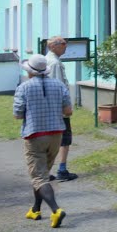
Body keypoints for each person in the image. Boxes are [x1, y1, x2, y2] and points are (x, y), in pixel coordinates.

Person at [13, 53, 71, 228]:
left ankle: (56, 210)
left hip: (35, 135)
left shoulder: (24, 87)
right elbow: (68, 111)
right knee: (42, 174)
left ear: (30, 71)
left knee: (38, 177)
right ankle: (36, 209)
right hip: (56, 134)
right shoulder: (59, 85)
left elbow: (17, 114)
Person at [44, 36, 77, 182]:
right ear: (53, 46)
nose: (65, 46)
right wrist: (65, 107)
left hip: (50, 109)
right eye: (63, 44)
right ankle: (62, 169)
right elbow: (58, 87)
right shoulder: (55, 63)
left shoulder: (47, 60)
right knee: (64, 139)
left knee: (51, 140)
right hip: (58, 110)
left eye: (65, 43)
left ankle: (46, 171)